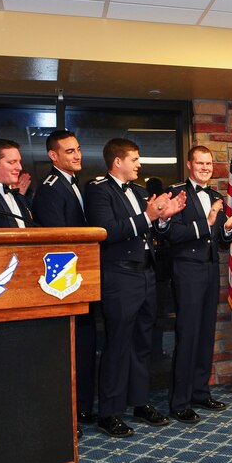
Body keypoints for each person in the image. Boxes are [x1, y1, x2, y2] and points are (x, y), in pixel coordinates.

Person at [84, 138, 186, 437]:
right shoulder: (98, 189)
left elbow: (155, 230)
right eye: (135, 159)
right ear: (118, 161)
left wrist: (164, 219)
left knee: (144, 343)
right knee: (118, 344)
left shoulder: (141, 191)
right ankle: (110, 412)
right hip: (119, 276)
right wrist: (149, 216)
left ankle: (139, 402)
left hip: (146, 275)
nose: (139, 164)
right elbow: (108, 231)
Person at [165, 146, 232, 423]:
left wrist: (228, 227)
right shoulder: (176, 193)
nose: (205, 167)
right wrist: (207, 221)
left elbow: (222, 242)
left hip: (210, 271)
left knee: (205, 334)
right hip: (187, 271)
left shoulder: (215, 196)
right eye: (200, 163)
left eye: (208, 163)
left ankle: (200, 391)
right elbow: (172, 234)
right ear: (189, 164)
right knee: (188, 336)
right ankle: (179, 401)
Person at [31, 130, 98, 433]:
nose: (77, 155)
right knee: (65, 351)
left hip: (81, 279)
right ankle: (65, 415)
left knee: (84, 346)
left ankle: (82, 408)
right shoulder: (50, 188)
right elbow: (56, 241)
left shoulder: (74, 184)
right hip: (63, 282)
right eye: (69, 151)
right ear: (53, 156)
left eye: (78, 149)